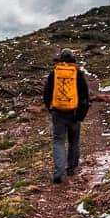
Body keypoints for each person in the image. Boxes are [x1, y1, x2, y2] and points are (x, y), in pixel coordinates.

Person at [43, 48, 90, 184]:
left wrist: (51, 109)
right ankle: (71, 168)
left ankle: (59, 171)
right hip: (74, 113)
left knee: (58, 142)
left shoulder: (54, 73)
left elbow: (47, 93)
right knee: (73, 141)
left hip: (58, 113)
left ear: (61, 59)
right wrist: (81, 115)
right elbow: (84, 96)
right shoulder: (78, 74)